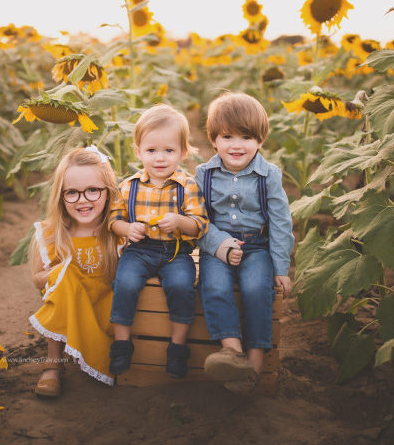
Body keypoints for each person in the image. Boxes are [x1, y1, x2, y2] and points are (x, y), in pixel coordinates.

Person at [196, 91, 294, 394]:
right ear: (213, 139)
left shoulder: (269, 176)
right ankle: (232, 352)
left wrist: (281, 267)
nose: (236, 145)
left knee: (256, 289)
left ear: (260, 140)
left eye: (247, 137)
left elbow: (280, 222)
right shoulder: (204, 174)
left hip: (257, 246)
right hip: (217, 248)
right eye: (227, 136)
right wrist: (220, 244)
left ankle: (253, 367)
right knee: (213, 286)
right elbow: (197, 219)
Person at [107, 104, 209, 379]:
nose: (160, 158)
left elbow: (199, 224)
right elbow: (113, 219)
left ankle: (177, 347)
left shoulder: (187, 186)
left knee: (181, 286)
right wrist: (127, 228)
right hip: (139, 251)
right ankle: (122, 344)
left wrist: (179, 222)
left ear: (183, 152)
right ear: (138, 151)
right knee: (124, 284)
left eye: (169, 150)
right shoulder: (129, 186)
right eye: (151, 151)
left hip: (176, 252)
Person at [28, 146, 121, 397]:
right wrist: (57, 274)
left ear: (108, 191)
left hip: (107, 306)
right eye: (72, 193)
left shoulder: (117, 232)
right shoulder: (53, 235)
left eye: (93, 190)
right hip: (69, 303)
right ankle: (53, 366)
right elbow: (38, 280)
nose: (83, 200)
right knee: (61, 281)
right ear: (60, 196)